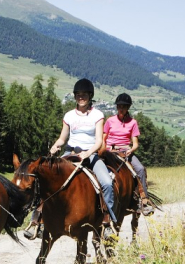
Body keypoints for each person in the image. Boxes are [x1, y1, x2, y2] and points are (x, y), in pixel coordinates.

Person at [24, 78, 116, 240]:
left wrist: (87, 154)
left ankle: (107, 221)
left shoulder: (97, 115)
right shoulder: (69, 115)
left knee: (107, 183)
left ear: (90, 96)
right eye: (78, 95)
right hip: (69, 154)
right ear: (74, 96)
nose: (81, 97)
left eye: (84, 95)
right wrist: (55, 146)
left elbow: (99, 141)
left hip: (90, 154)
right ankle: (37, 219)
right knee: (45, 179)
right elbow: (62, 138)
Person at [104, 92, 151, 215]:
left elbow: (135, 143)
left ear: (128, 108)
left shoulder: (133, 122)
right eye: (119, 106)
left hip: (125, 150)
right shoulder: (110, 121)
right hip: (110, 150)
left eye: (124, 107)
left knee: (140, 169)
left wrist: (131, 149)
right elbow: (104, 138)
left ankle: (144, 199)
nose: (121, 109)